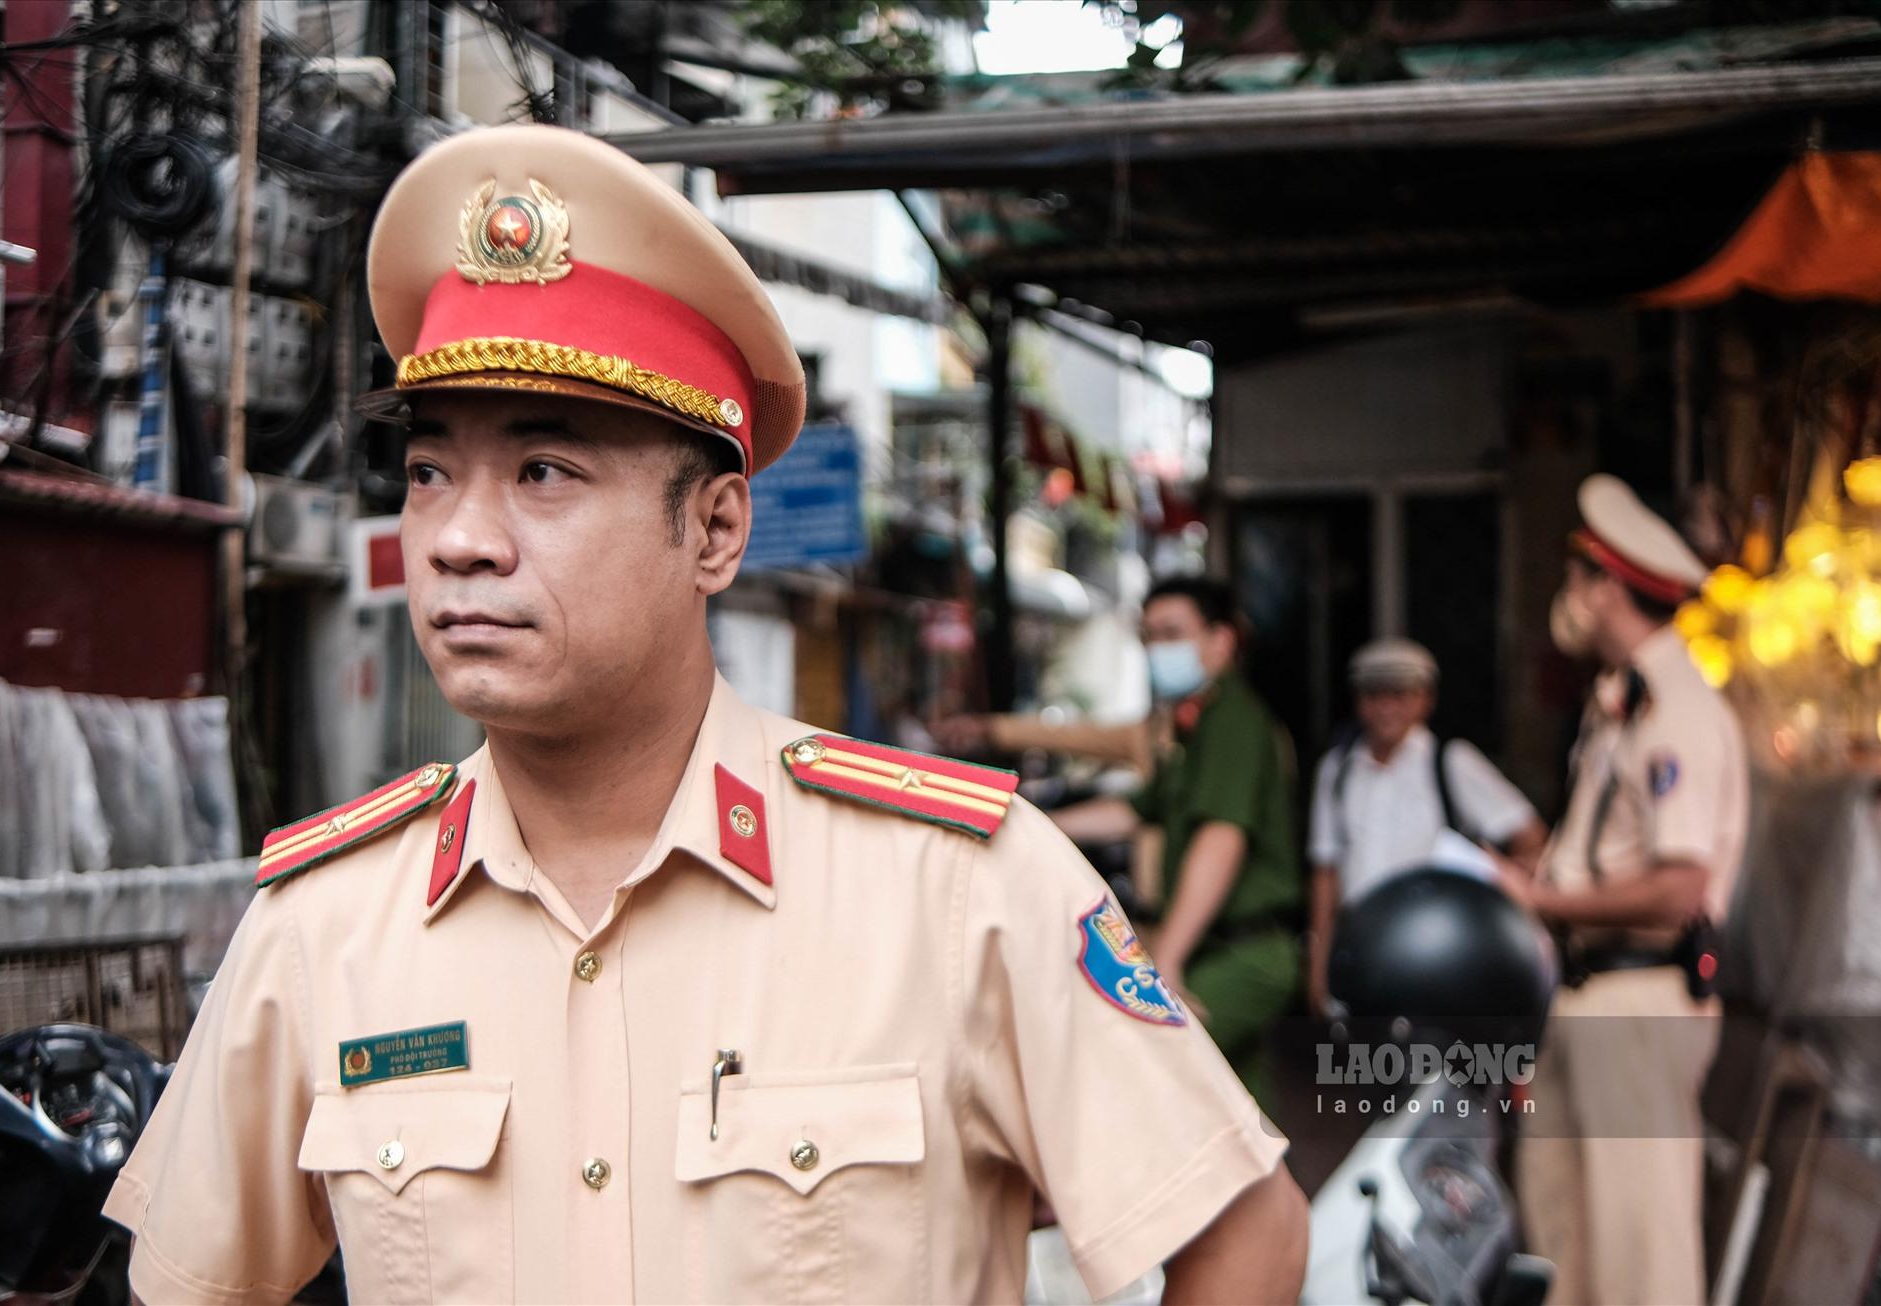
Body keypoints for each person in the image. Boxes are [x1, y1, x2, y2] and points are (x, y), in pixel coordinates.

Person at [100, 125, 1307, 1304]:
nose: (461, 539)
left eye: (544, 471)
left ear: (715, 529)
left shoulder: (955, 892)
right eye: (429, 472)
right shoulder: (324, 926)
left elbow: (1244, 1231)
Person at [1499, 474, 1748, 1306]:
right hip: (1587, 992)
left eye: (1576, 578)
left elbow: (1679, 889)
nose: (1566, 598)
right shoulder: (1623, 706)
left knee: (1642, 1253)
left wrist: (1543, 903)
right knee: (1566, 1233)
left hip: (1640, 997)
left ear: (1607, 587)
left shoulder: (1678, 712)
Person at [1046, 576, 1302, 1093]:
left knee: (1144, 1070)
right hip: (1226, 948)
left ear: (1221, 640)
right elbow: (1136, 809)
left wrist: (1168, 960)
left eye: (1172, 632)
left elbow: (1221, 841)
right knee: (1247, 1122)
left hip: (1244, 954)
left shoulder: (1233, 721)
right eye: (1149, 635)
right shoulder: (1195, 724)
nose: (1157, 648)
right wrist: (1037, 825)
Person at [1303, 637, 1547, 1018]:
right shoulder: (1337, 770)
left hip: (1436, 947)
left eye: (1399, 694)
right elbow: (1325, 872)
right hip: (1362, 945)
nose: (1386, 707)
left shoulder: (1451, 761)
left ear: (1425, 699)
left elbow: (1530, 838)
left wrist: (1497, 897)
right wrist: (1318, 963)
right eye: (1373, 694)